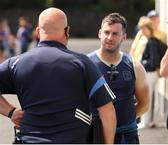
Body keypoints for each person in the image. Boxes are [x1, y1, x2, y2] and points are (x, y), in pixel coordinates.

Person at [0, 7, 116, 144]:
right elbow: (107, 111)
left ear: (37, 31)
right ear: (67, 31)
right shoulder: (82, 63)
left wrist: (11, 111)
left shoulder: (16, 63)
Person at [88, 13, 149, 144]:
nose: (109, 37)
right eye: (106, 32)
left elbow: (144, 104)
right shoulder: (86, 64)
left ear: (124, 37)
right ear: (99, 33)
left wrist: (125, 119)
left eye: (115, 34)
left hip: (126, 135)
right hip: (95, 133)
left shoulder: (134, 66)